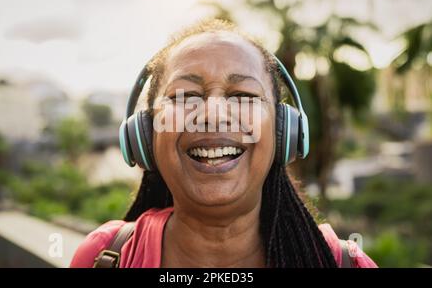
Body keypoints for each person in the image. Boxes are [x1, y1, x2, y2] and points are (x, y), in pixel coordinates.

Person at [70, 19, 377, 268]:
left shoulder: (345, 263)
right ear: (147, 134)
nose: (213, 114)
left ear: (284, 131)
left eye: (243, 95)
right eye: (184, 96)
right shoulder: (104, 256)